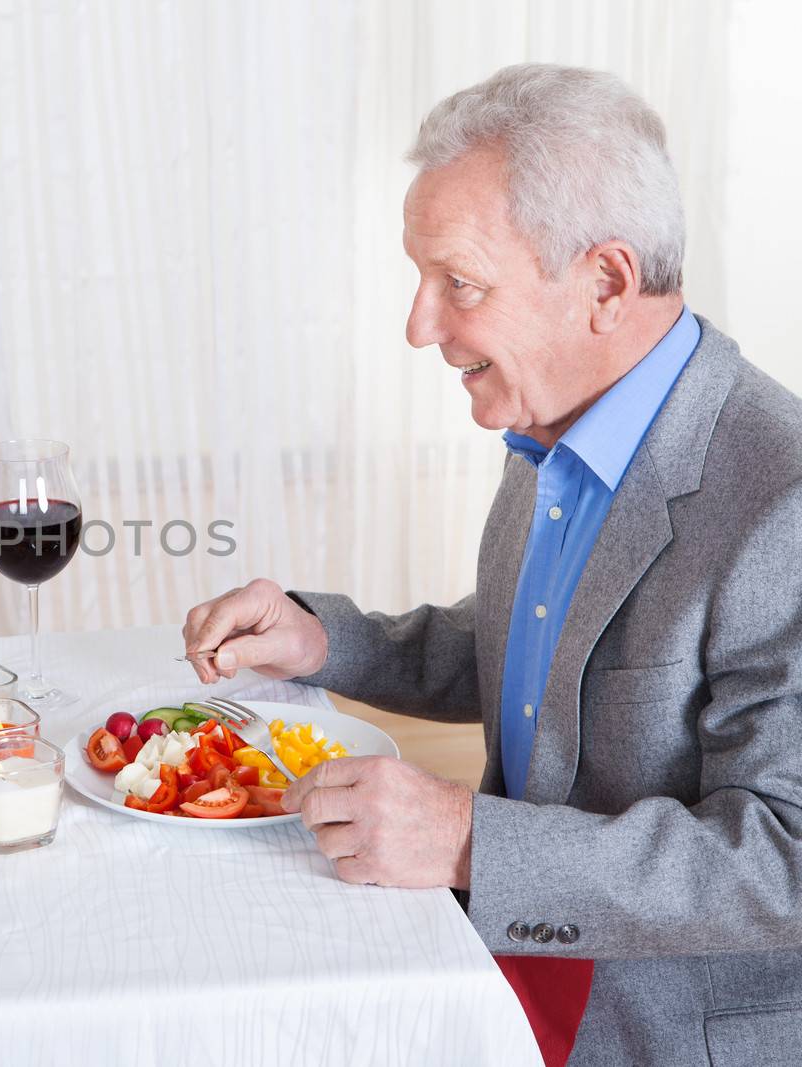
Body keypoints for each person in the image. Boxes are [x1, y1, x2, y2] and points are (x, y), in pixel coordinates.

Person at [183, 64, 802, 1066]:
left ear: (603, 280)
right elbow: (536, 653)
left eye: (458, 284)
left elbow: (785, 857)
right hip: (500, 977)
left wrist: (474, 842)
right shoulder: (562, 416)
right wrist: (327, 637)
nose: (420, 325)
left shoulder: (781, 499)